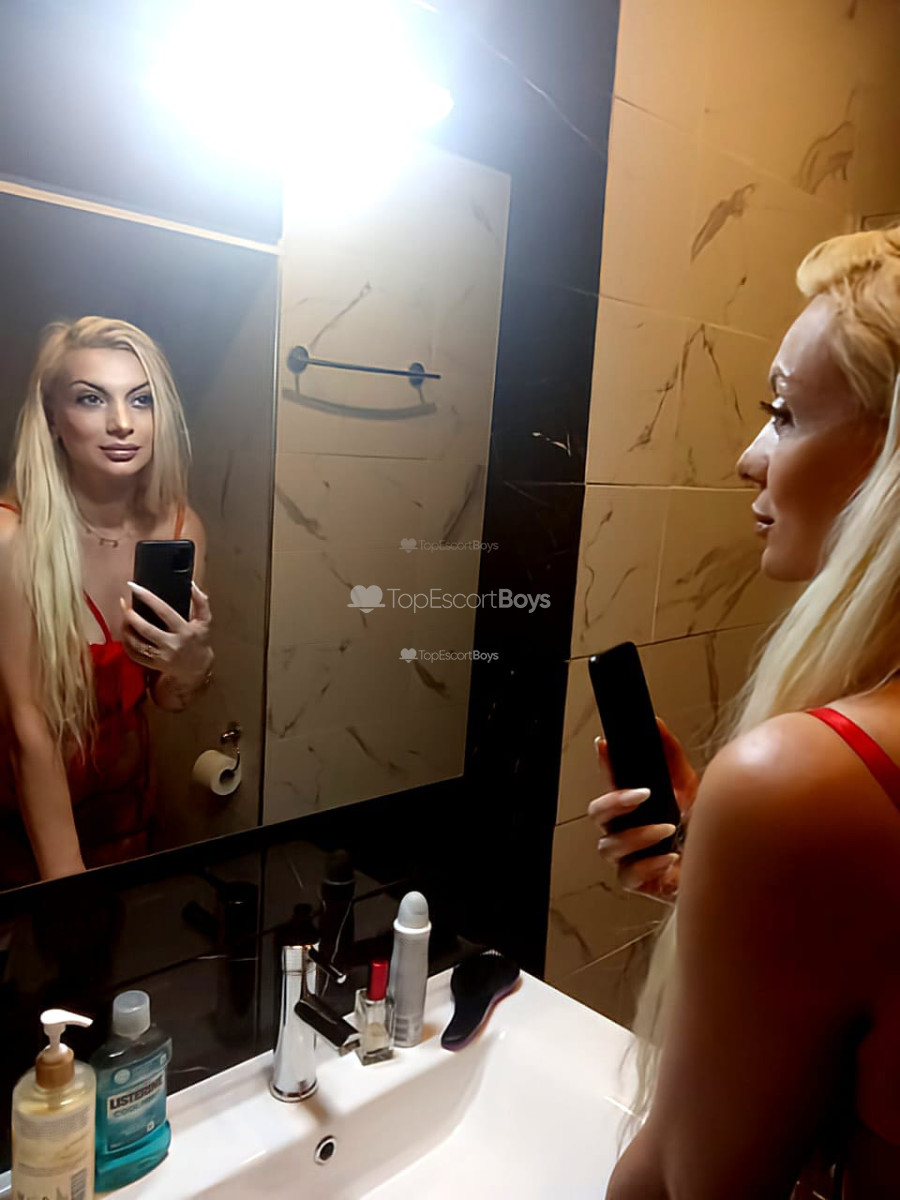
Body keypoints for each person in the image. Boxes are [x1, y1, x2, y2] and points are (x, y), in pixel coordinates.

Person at [592, 228, 900, 1199]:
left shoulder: (805, 782)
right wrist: (725, 890)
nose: (748, 458)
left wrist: (759, 836)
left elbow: (675, 1187)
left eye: (784, 414)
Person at [0, 317, 213, 885]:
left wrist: (192, 666)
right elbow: (28, 726)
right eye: (91, 399)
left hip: (127, 812)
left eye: (141, 400)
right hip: (22, 823)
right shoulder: (12, 540)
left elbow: (166, 698)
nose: (122, 422)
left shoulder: (180, 528)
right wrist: (67, 881)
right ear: (52, 418)